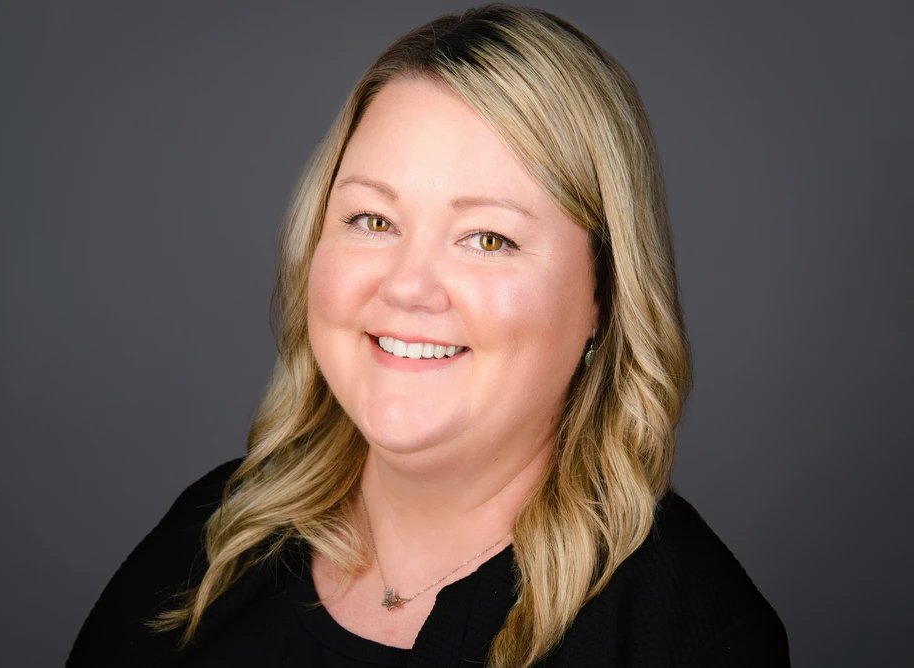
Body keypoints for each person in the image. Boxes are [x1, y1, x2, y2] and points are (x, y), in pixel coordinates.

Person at [67, 4, 791, 666]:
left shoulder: (687, 631)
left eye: (487, 238)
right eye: (373, 221)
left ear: (604, 293)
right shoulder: (213, 540)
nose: (408, 286)